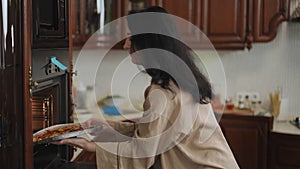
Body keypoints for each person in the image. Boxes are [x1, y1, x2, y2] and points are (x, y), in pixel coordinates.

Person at [57, 6, 239, 169]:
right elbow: (155, 134)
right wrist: (110, 129)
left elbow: (141, 156)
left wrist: (93, 147)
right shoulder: (177, 80)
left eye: (130, 37)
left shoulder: (164, 94)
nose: (126, 44)